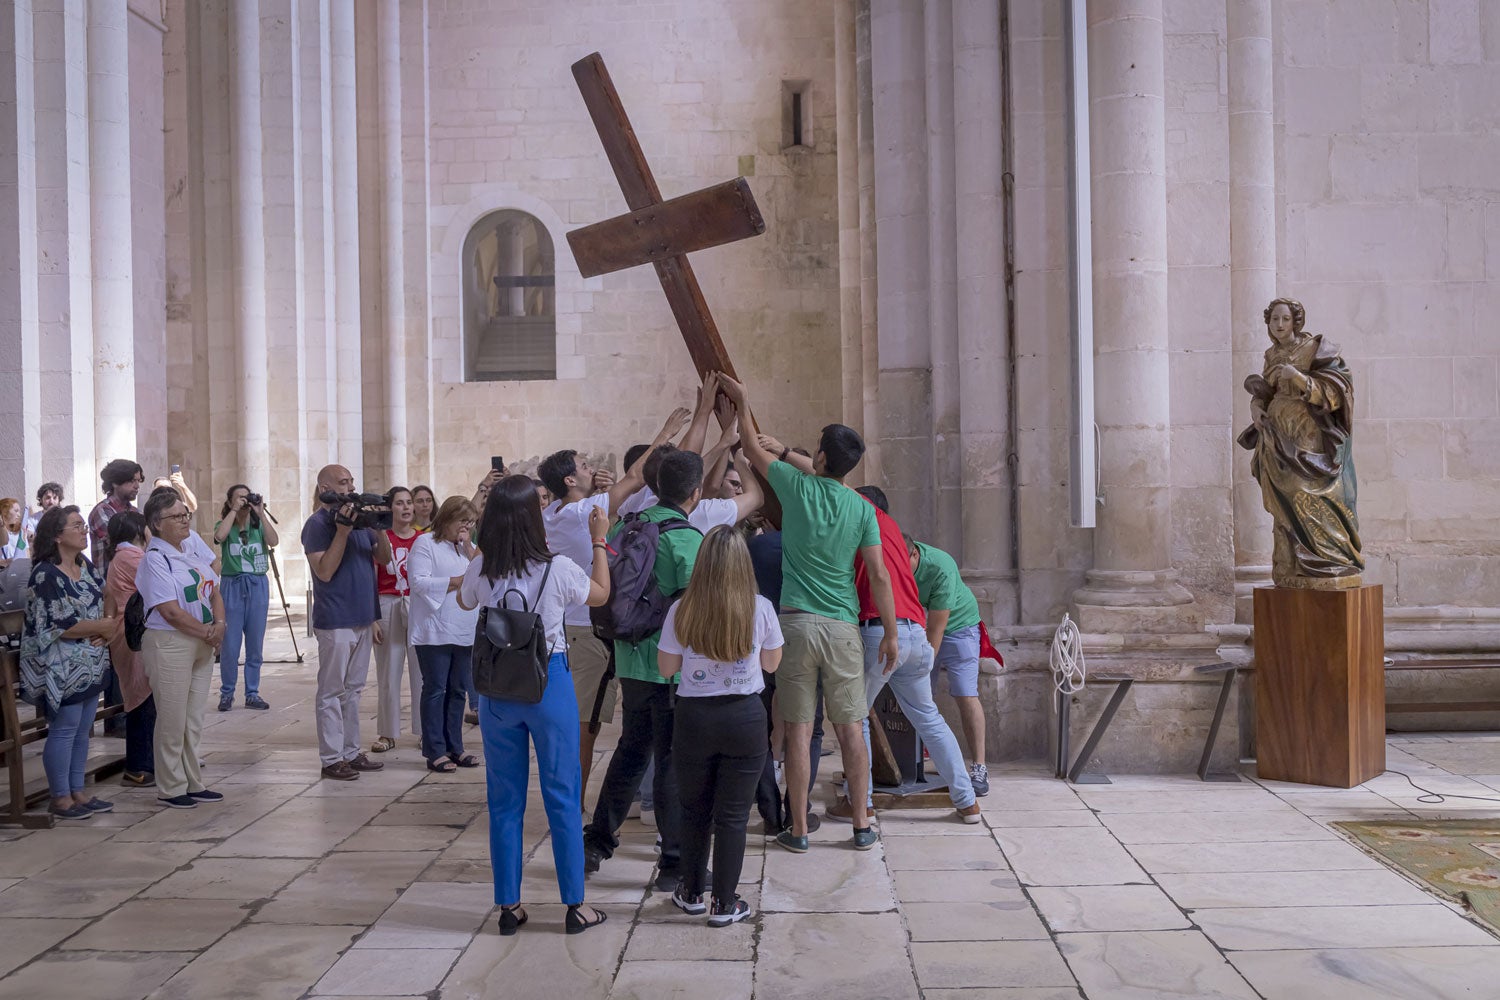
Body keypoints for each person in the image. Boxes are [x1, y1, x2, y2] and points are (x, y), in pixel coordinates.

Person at [719, 373, 898, 854]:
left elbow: (753, 449)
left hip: (795, 623)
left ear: (819, 457)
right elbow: (879, 576)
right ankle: (862, 823)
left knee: (797, 730)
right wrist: (892, 633)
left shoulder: (795, 487)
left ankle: (797, 828)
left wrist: (742, 399)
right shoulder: (861, 507)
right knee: (850, 728)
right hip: (842, 627)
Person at [457, 474, 611, 936]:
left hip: (497, 692)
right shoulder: (558, 567)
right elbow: (601, 595)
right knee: (562, 796)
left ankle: (509, 906)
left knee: (504, 800)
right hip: (550, 684)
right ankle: (574, 906)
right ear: (533, 517)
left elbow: (466, 602)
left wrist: (480, 549)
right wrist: (599, 542)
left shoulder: (482, 570)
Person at [538, 405, 689, 801]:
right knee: (585, 729)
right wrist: (665, 431)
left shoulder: (553, 511)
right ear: (570, 479)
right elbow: (637, 477)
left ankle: (603, 799)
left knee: (601, 723)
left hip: (576, 626)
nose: (591, 468)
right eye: (584, 465)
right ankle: (572, 806)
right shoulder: (582, 511)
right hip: (588, 631)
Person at [583, 448, 705, 889]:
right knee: (671, 761)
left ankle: (596, 843)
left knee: (631, 752)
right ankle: (674, 862)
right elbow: (699, 607)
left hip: (630, 660)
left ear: (653, 489)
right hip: (670, 669)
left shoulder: (626, 525)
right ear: (697, 492)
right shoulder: (687, 539)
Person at [658, 525, 782, 926]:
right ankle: (725, 904)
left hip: (695, 717)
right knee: (733, 814)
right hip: (744, 717)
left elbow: (666, 668)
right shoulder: (759, 607)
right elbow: (771, 663)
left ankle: (692, 891)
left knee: (694, 808)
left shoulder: (682, 609)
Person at [21, 506, 116, 820]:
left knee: (83, 728)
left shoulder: (83, 564)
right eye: (77, 526)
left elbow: (108, 594)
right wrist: (101, 628)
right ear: (58, 535)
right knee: (64, 730)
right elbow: (54, 626)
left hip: (88, 661)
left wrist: (109, 622)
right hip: (59, 667)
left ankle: (78, 790)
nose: (84, 530)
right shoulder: (45, 575)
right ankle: (60, 797)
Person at [136, 491, 226, 809]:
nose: (185, 518)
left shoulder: (189, 548)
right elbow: (170, 611)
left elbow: (213, 588)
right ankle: (171, 786)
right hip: (170, 643)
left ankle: (192, 780)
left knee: (193, 718)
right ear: (158, 524)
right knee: (172, 718)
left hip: (202, 641)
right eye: (177, 516)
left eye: (185, 513)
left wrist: (220, 625)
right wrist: (209, 632)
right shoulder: (154, 559)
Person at [302, 465, 392, 781]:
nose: (350, 487)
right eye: (343, 483)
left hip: (362, 616)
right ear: (324, 486)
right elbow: (324, 571)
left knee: (354, 690)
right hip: (335, 619)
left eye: (352, 481)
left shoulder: (361, 522)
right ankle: (331, 758)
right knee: (331, 691)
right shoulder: (316, 524)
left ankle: (351, 752)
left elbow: (384, 560)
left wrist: (379, 525)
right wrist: (341, 532)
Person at [909, 534, 990, 796]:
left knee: (966, 694)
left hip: (959, 627)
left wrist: (922, 665)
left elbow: (937, 629)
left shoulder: (940, 565)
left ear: (914, 555)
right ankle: (915, 760)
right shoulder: (897, 562)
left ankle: (979, 766)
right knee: (917, 693)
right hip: (922, 626)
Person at [409, 495, 481, 773]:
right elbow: (418, 582)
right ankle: (435, 750)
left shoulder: (467, 549)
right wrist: (456, 581)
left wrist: (467, 546)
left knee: (458, 690)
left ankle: (456, 747)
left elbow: (483, 573)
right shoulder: (425, 543)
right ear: (447, 519)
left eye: (471, 523)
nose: (466, 528)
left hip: (464, 628)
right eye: (463, 522)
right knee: (436, 688)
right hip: (434, 629)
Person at [103, 511, 157, 787]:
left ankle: (150, 761)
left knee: (148, 698)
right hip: (131, 634)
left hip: (136, 631)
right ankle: (137, 766)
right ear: (139, 530)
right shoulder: (129, 556)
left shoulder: (127, 555)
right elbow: (161, 575)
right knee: (141, 699)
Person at [212, 485, 277, 712]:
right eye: (238, 498)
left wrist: (259, 513)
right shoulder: (225, 524)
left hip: (257, 584)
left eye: (246, 497)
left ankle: (252, 692)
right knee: (230, 645)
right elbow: (218, 537)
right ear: (230, 502)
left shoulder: (258, 525)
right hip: (232, 584)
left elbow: (274, 541)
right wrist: (233, 512)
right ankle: (227, 693)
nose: (243, 501)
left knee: (255, 644)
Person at [371, 486, 421, 752]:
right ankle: (387, 733)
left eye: (409, 502)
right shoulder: (381, 537)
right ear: (390, 508)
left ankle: (426, 730)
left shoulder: (424, 539)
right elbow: (370, 577)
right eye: (400, 503)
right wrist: (372, 618)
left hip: (417, 605)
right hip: (388, 601)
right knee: (388, 670)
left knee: (421, 671)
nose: (406, 508)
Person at [88, 458, 144, 573]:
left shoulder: (136, 512)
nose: (137, 486)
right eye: (132, 481)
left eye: (138, 481)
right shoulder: (102, 511)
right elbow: (124, 546)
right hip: (109, 581)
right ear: (115, 482)